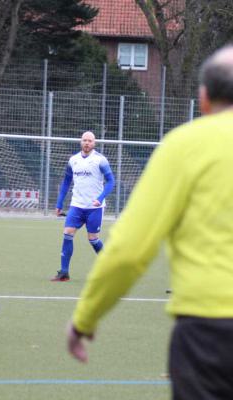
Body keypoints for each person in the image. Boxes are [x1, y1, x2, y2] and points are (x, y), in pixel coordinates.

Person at [67, 45, 233, 400]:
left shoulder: (184, 146)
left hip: (210, 331)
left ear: (203, 99)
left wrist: (86, 318)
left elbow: (129, 250)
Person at [51, 131, 115, 281]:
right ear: (81, 142)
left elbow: (111, 181)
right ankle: (64, 272)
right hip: (77, 206)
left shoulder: (100, 160)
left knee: (93, 239)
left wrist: (100, 198)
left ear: (94, 143)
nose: (87, 143)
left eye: (90, 141)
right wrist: (59, 203)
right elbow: (66, 182)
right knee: (67, 233)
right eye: (84, 140)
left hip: (94, 208)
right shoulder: (73, 160)